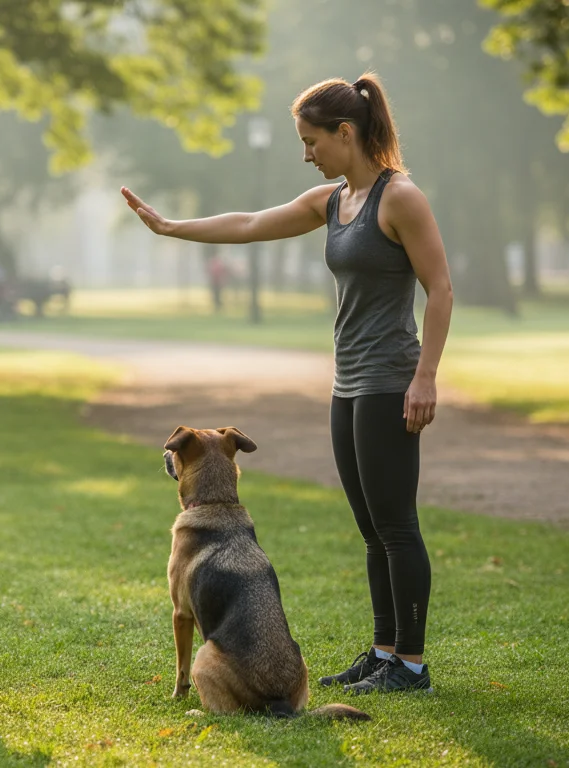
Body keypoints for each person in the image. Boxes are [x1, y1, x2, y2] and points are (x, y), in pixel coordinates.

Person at [121, 72, 454, 695]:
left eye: (311, 140)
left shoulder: (400, 197)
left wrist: (425, 376)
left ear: (345, 132)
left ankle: (411, 665)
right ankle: (384, 653)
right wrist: (171, 228)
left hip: (390, 380)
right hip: (349, 382)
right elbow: (249, 223)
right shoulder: (333, 200)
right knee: (369, 526)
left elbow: (441, 288)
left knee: (397, 524)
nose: (306, 152)